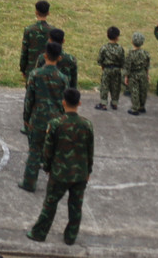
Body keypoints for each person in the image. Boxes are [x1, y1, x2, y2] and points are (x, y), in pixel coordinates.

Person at [28, 89, 95, 246]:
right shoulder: (87, 125)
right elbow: (90, 150)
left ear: (63, 102)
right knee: (76, 207)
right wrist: (88, 170)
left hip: (59, 173)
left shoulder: (55, 124)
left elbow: (48, 150)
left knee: (50, 204)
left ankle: (39, 233)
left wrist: (47, 167)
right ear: (79, 103)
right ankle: (70, 237)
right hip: (80, 174)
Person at [19, 42, 69, 192]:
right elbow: (65, 102)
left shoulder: (35, 74)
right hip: (56, 120)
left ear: (45, 55)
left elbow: (29, 99)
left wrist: (26, 118)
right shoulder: (63, 78)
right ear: (59, 58)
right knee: (56, 152)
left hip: (38, 118)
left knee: (34, 151)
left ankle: (29, 183)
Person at [20, 0, 52, 78]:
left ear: (36, 12)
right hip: (48, 71)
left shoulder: (29, 30)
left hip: (31, 70)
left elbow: (24, 52)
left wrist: (23, 69)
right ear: (48, 13)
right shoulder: (53, 31)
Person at [95, 26, 124, 111]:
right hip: (117, 69)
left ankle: (103, 103)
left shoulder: (104, 48)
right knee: (116, 86)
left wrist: (103, 67)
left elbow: (100, 60)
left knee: (104, 86)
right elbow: (123, 60)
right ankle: (114, 103)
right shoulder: (120, 48)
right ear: (117, 37)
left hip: (107, 69)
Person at [124, 32, 151, 115]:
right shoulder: (146, 53)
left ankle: (135, 108)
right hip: (143, 73)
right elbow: (147, 65)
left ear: (132, 41)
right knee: (143, 90)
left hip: (133, 75)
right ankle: (142, 106)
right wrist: (147, 74)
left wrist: (126, 76)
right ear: (142, 42)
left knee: (134, 91)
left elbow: (128, 67)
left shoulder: (130, 54)